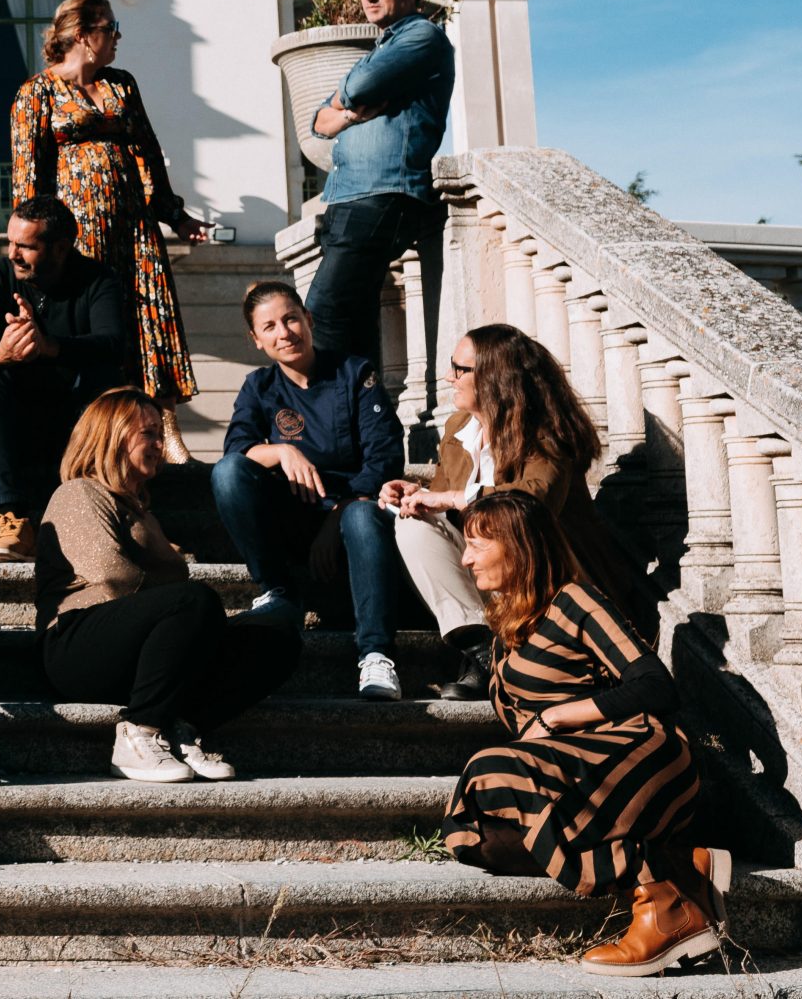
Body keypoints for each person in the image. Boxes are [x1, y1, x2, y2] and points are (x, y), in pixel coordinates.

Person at [442, 490, 726, 979]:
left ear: (519, 546)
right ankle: (678, 868)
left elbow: (656, 685)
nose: (465, 559)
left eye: (476, 546)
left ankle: (663, 905)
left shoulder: (575, 601)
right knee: (475, 837)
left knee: (486, 769)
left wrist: (562, 716)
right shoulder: (507, 630)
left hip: (635, 754)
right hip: (569, 775)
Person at [37, 389, 299, 786]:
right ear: (112, 437)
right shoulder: (79, 492)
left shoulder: (140, 511)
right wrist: (179, 600)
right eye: (149, 435)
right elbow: (112, 576)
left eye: (161, 434)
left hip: (142, 654)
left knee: (278, 637)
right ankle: (138, 733)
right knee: (195, 603)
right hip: (76, 646)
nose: (161, 445)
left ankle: (180, 727)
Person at [382, 324, 657, 699]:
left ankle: (514, 651)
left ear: (496, 377)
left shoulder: (547, 430)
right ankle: (481, 651)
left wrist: (448, 499)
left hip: (550, 572)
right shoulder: (458, 427)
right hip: (492, 570)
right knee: (413, 525)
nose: (450, 377)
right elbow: (449, 497)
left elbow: (532, 503)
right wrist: (418, 495)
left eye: (460, 370)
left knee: (505, 526)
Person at [11, 0, 214, 459]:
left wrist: (175, 215)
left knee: (150, 318)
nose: (118, 36)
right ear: (83, 34)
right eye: (111, 26)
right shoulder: (35, 93)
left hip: (135, 229)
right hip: (77, 238)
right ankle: (103, 434)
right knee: (98, 326)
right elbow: (27, 177)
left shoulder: (121, 85)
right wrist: (34, 244)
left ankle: (165, 428)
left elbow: (148, 148)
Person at [214, 280, 405, 700]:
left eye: (290, 318)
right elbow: (237, 452)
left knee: (359, 515)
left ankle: (375, 655)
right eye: (270, 327)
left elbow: (385, 460)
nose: (284, 332)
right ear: (257, 340)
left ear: (308, 319)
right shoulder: (258, 387)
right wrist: (281, 451)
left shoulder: (356, 373)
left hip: (357, 513)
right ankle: (277, 591)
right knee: (228, 474)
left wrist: (337, 513)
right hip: (293, 516)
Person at [306, 0, 455, 371]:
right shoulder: (384, 46)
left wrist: (344, 104)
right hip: (350, 197)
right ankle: (367, 434)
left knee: (322, 317)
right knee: (355, 332)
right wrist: (349, 113)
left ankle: (328, 427)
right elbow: (318, 121)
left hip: (380, 195)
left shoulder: (422, 36)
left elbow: (359, 87)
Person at [0, 196, 132, 562]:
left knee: (107, 376)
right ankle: (11, 520)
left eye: (25, 246)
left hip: (77, 425)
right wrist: (2, 353)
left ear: (60, 248)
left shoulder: (98, 279)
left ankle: (124, 514)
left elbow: (113, 344)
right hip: (16, 426)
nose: (13, 254)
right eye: (10, 242)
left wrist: (49, 347)